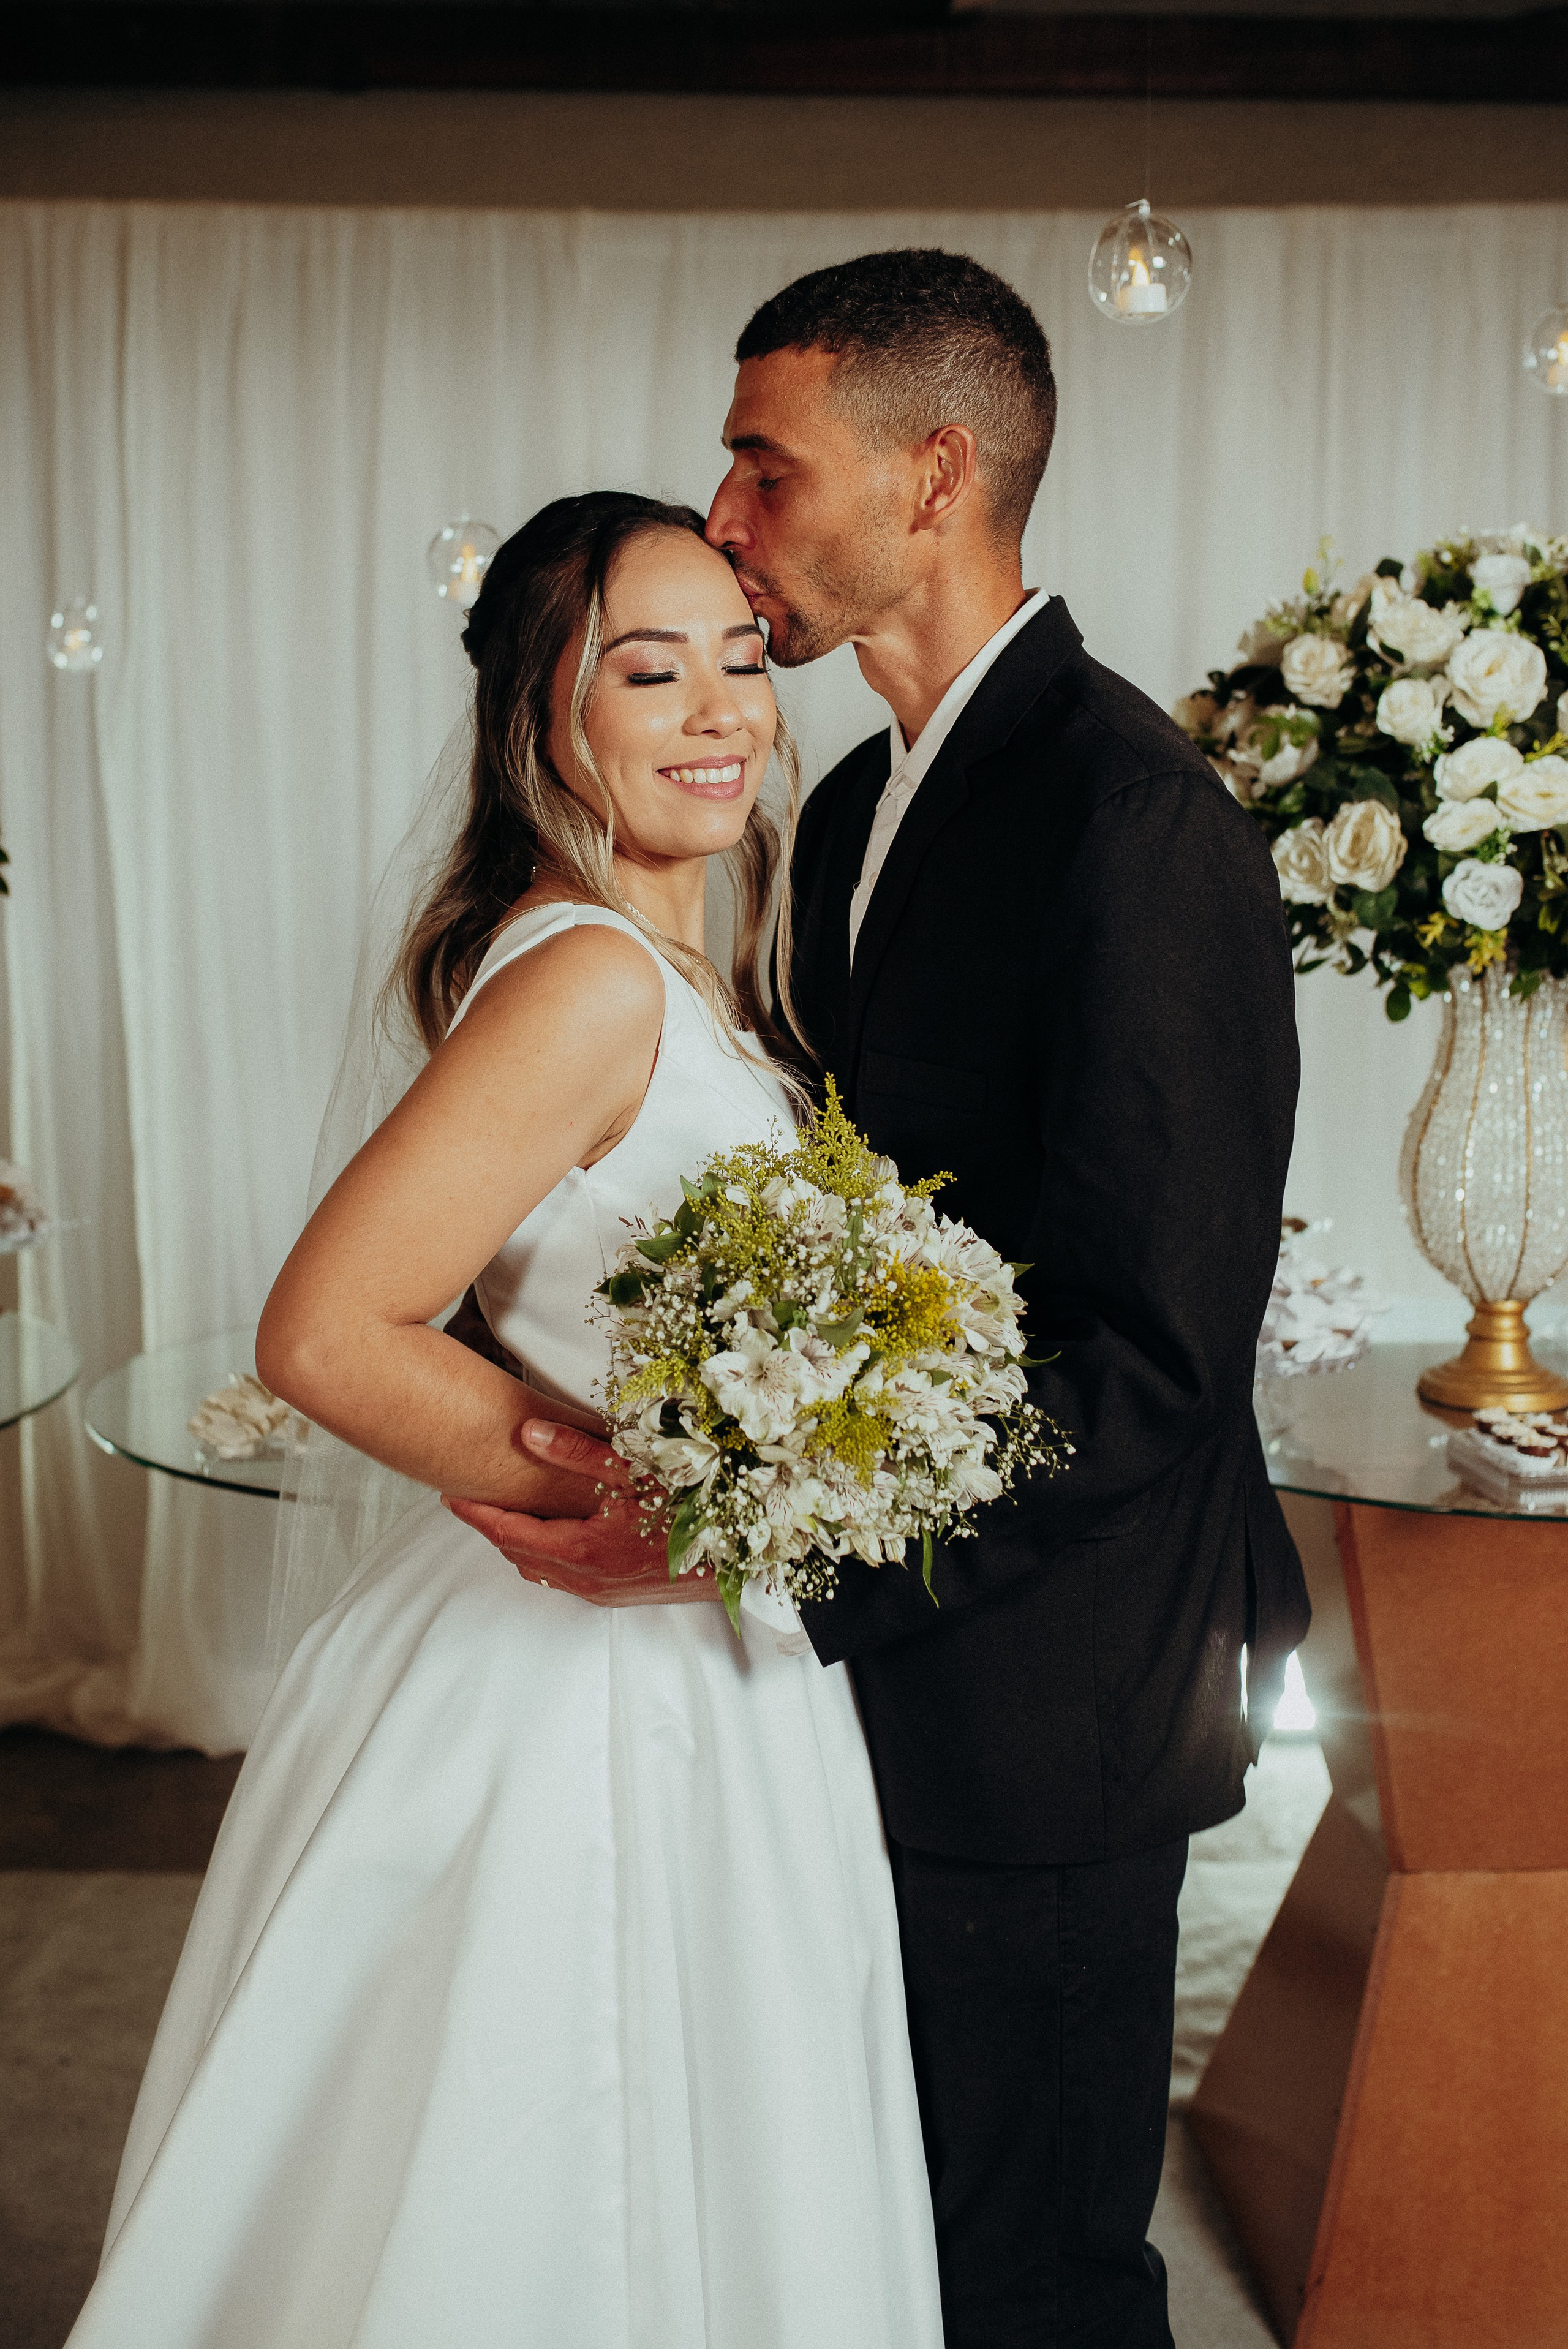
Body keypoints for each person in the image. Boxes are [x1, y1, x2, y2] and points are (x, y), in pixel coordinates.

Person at [453, 251, 1311, 2349]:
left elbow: (1155, 1354)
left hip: (1052, 1715)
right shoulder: (838, 810)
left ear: (934, 475)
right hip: (858, 1706)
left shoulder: (1135, 817)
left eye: (762, 464)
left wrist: (778, 1555)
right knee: (869, 2260)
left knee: (1030, 2281)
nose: (725, 516)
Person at [64, 493, 943, 2349]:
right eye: (649, 668)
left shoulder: (672, 972)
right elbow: (328, 1327)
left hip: (708, 1664)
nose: (718, 707)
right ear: (551, 715)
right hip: (593, 1698)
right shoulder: (594, 981)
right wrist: (640, 1499)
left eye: (736, 656)